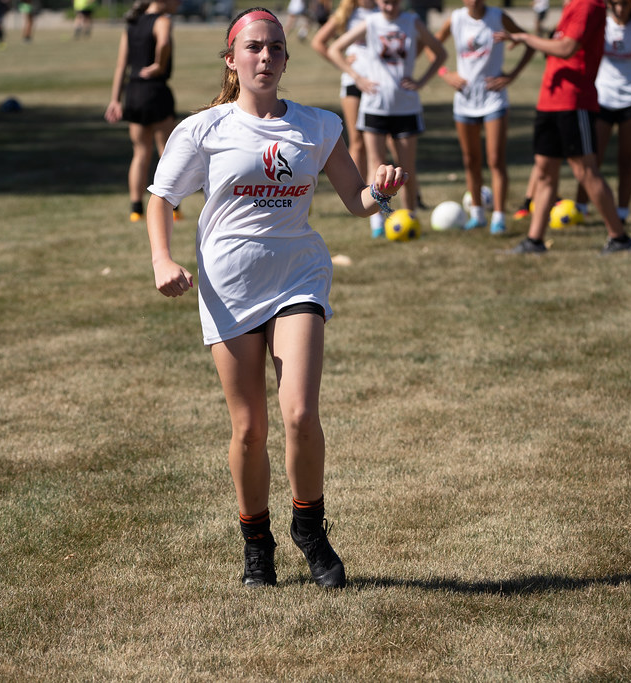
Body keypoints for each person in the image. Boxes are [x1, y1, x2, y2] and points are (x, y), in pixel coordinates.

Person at [145, 8, 408, 588]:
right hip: (229, 286)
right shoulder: (203, 128)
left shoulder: (318, 124)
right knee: (249, 429)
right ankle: (256, 542)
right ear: (231, 60)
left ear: (286, 60)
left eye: (276, 48)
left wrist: (382, 189)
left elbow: (356, 199)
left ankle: (309, 530)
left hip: (298, 277)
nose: (266, 56)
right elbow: (161, 198)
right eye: (254, 47)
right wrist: (163, 259)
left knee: (301, 413)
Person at [495, 0, 631, 254]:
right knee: (544, 172)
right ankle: (535, 240)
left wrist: (526, 37)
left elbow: (567, 48)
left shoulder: (588, 4)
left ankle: (620, 239)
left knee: (585, 171)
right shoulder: (572, 5)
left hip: (574, 102)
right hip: (550, 101)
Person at [327, 0, 447, 238]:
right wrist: (357, 77)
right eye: (384, 1)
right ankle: (377, 222)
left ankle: (410, 219)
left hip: (406, 107)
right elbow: (334, 49)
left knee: (406, 169)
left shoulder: (412, 22)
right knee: (377, 165)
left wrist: (421, 81)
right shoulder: (371, 22)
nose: (389, 6)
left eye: (393, 2)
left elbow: (441, 53)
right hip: (375, 106)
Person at [436, 0, 534, 234]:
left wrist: (511, 75)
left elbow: (529, 42)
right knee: (470, 160)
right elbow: (433, 46)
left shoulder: (498, 17)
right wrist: (445, 73)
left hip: (493, 99)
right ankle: (477, 214)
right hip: (465, 101)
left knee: (495, 160)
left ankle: (498, 217)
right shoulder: (456, 19)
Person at [573, 0, 631, 224]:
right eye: (615, 4)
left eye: (625, 4)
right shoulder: (602, 24)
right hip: (603, 100)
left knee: (626, 160)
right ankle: (580, 207)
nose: (620, 9)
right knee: (592, 160)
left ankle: (622, 213)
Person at [105, 0, 181, 223]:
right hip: (155, 90)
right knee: (167, 153)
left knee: (140, 153)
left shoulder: (132, 23)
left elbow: (121, 65)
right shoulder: (163, 21)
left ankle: (136, 209)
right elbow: (164, 42)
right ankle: (173, 208)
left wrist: (115, 100)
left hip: (134, 92)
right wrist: (159, 65)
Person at [311, 0, 378, 178]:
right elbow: (318, 42)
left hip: (379, 84)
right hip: (353, 81)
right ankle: (357, 189)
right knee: (358, 141)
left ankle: (378, 189)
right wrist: (342, 62)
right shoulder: (347, 13)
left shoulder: (384, 10)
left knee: (381, 141)